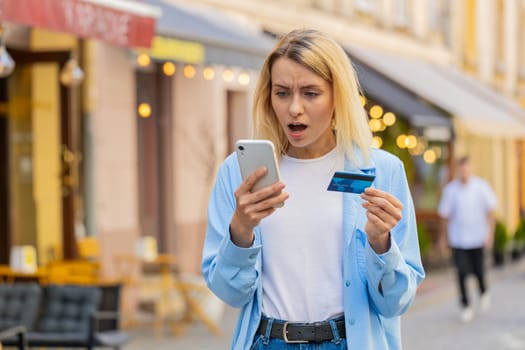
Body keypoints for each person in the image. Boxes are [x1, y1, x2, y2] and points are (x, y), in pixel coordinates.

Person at [202, 29, 425, 350]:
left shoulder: (381, 171)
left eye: (310, 93)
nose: (294, 108)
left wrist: (381, 245)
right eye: (282, 93)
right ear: (268, 97)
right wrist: (240, 231)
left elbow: (396, 303)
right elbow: (229, 293)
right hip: (269, 342)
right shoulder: (238, 175)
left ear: (338, 96)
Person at [438, 156, 497, 323]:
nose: (464, 172)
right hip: (458, 239)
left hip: (477, 237)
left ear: (470, 168)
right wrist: (443, 238)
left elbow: (490, 212)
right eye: (461, 169)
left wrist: (490, 234)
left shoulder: (481, 187)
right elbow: (444, 216)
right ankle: (465, 305)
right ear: (458, 169)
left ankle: (483, 291)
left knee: (479, 271)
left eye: (466, 168)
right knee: (461, 273)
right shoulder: (451, 190)